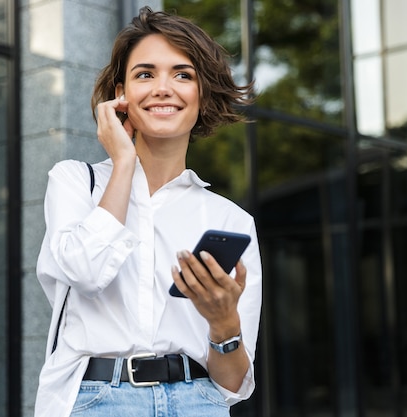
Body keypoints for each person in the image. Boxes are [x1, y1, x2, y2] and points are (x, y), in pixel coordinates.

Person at [35, 6, 262, 417]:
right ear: (120, 93)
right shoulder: (74, 182)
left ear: (201, 95)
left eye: (182, 74)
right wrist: (123, 163)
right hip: (95, 400)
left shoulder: (231, 220)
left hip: (200, 401)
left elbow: (234, 383)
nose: (163, 88)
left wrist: (224, 322)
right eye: (144, 74)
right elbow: (86, 272)